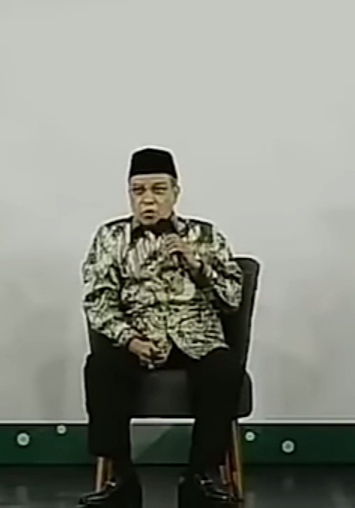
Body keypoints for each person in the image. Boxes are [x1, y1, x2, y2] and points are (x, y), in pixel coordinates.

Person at [78, 148, 246, 508]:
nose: (148, 200)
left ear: (175, 193)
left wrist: (196, 264)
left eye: (158, 190)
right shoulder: (110, 238)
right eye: (138, 191)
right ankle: (121, 478)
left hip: (196, 338)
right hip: (139, 338)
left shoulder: (205, 235)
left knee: (224, 370)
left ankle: (200, 477)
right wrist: (129, 339)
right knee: (100, 368)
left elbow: (233, 298)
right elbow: (97, 300)